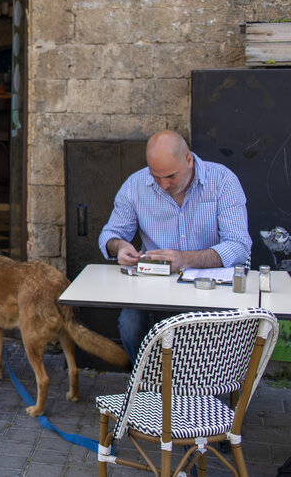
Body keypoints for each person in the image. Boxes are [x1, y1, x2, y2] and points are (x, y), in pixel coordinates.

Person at [98, 130, 250, 361]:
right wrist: (119, 246)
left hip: (210, 286)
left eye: (170, 176)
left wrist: (185, 259)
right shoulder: (135, 184)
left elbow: (239, 246)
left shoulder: (223, 181)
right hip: (155, 285)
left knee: (202, 336)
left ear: (188, 160)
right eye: (156, 176)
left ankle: (196, 386)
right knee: (129, 323)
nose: (163, 185)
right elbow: (109, 234)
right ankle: (152, 382)